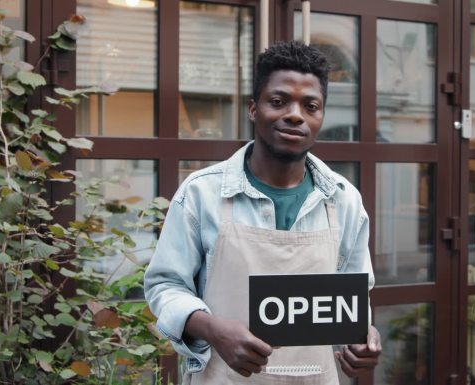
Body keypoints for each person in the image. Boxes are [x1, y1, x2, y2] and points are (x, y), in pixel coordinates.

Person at [144, 40, 381, 384]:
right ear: (254, 109)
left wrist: (365, 337)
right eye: (279, 101)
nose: (295, 114)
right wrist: (212, 329)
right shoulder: (202, 194)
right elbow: (165, 286)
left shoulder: (344, 201)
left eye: (310, 105)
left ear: (320, 116)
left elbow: (356, 298)